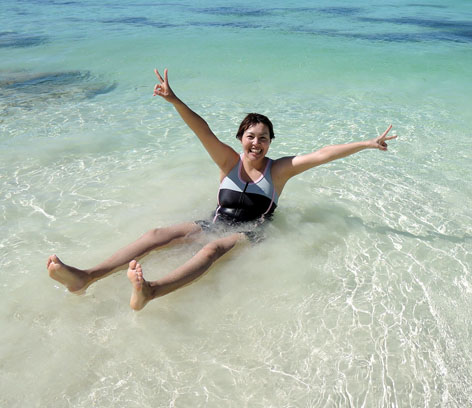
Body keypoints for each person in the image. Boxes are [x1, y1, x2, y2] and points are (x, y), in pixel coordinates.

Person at [47, 68, 396, 310]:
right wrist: (175, 100)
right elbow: (203, 130)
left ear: (271, 142)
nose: (256, 143)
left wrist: (366, 143)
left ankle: (152, 291)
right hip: (216, 220)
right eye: (250, 137)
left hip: (251, 232)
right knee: (156, 233)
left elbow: (322, 155)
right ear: (240, 139)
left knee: (212, 250)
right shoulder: (228, 161)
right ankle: (86, 276)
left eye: (263, 138)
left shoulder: (279, 171)